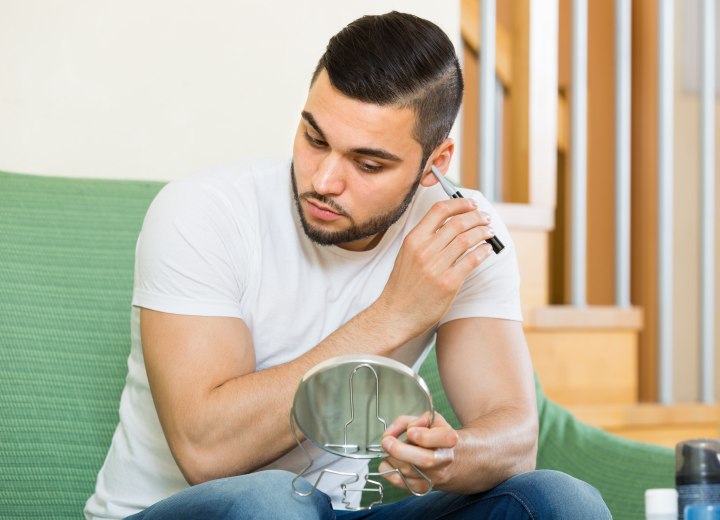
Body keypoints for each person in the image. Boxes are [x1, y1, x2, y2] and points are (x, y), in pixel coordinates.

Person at [85, 11, 611, 519]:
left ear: (435, 164)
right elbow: (207, 454)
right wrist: (394, 316)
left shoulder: (458, 233)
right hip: (181, 511)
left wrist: (454, 455)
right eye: (315, 139)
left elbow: (516, 442)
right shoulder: (204, 212)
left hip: (339, 512)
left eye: (367, 163)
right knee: (270, 501)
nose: (324, 181)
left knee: (559, 502)